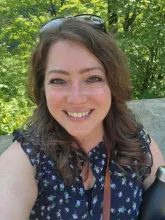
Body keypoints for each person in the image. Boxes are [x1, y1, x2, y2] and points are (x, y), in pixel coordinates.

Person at [0, 15, 164, 220]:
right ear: (43, 87)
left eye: (93, 78)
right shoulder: (26, 159)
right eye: (59, 81)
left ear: (112, 84)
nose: (76, 99)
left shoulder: (135, 142)